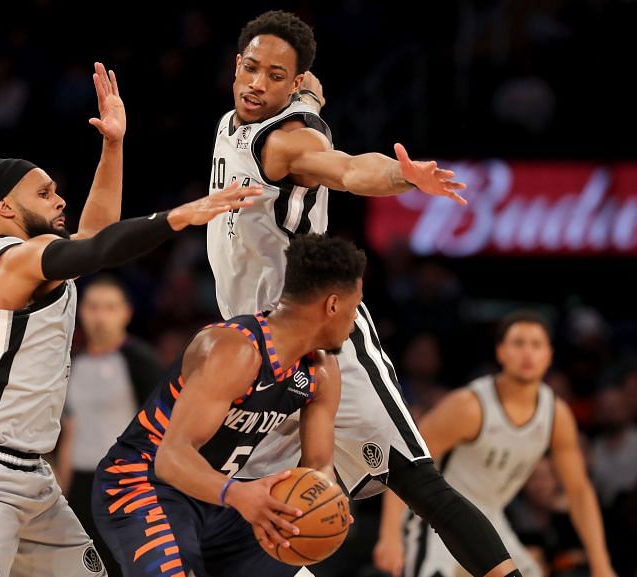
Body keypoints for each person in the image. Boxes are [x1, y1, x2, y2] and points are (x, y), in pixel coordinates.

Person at [206, 10, 524, 577]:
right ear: (236, 65)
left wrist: (405, 179)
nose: (257, 84)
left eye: (275, 76)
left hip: (322, 337)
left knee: (416, 480)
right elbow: (314, 101)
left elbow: (350, 169)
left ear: (294, 81)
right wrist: (309, 95)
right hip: (255, 348)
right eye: (251, 69)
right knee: (251, 508)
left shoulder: (286, 142)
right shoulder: (243, 119)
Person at [0, 61, 259, 577]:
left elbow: (96, 238)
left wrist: (114, 145)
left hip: (33, 477)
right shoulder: (12, 258)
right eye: (44, 193)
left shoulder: (46, 261)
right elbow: (97, 248)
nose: (59, 200)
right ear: (6, 208)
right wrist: (178, 216)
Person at [92, 234, 362, 577]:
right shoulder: (235, 350)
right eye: (356, 307)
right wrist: (238, 494)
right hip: (142, 481)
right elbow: (171, 457)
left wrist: (325, 503)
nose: (355, 320)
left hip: (217, 494)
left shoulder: (322, 372)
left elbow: (318, 465)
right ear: (333, 305)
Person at [373, 310, 616, 577]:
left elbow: (579, 491)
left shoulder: (556, 415)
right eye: (518, 343)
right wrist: (389, 535)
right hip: (436, 518)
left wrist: (601, 564)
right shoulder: (469, 405)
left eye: (536, 345)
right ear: (501, 352)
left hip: (491, 518)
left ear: (549, 355)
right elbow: (406, 464)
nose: (527, 353)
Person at [56, 275, 165, 577]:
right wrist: (61, 492)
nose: (99, 316)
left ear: (126, 312)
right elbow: (70, 429)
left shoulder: (140, 360)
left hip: (126, 484)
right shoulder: (72, 363)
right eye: (92, 307)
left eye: (109, 307)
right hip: (80, 483)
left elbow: (164, 428)